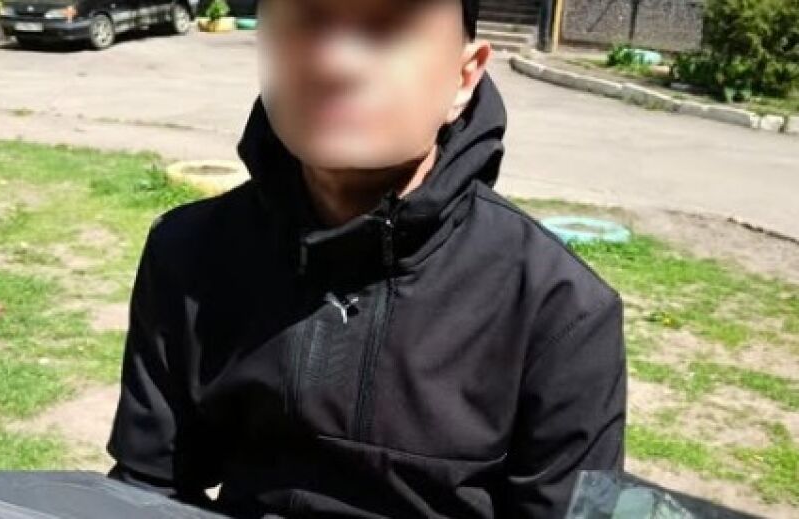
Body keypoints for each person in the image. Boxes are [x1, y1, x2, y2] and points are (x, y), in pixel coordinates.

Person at [106, 0, 628, 517]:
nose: (335, 63)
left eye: (387, 29)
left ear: (464, 77)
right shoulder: (189, 250)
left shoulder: (562, 310)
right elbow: (147, 490)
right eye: (306, 21)